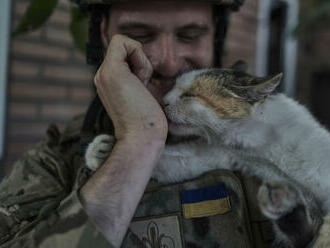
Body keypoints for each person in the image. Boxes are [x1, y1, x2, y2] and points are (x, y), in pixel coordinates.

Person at [0, 0, 289, 247]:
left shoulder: (274, 143)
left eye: (189, 35)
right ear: (104, 35)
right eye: (140, 35)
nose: (169, 63)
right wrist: (138, 143)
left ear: (216, 35)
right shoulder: (56, 162)